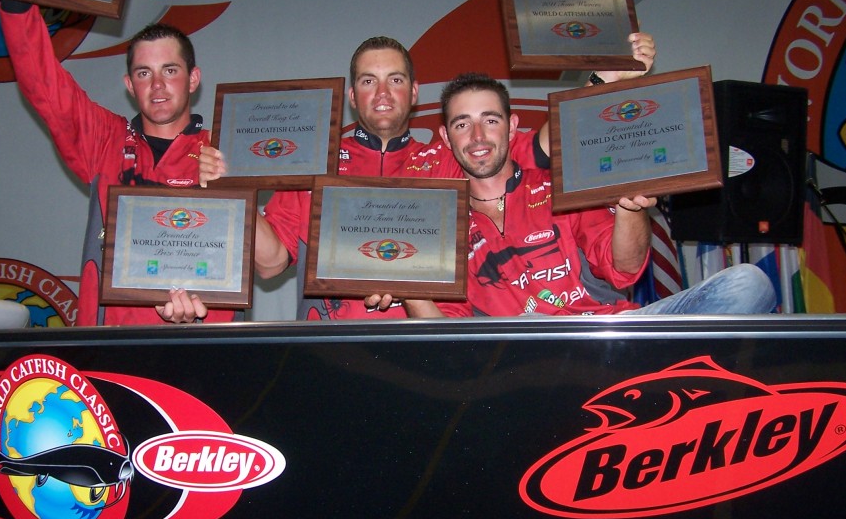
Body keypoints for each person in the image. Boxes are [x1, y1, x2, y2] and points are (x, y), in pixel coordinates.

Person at [201, 35, 656, 320]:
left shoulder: (447, 157)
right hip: (331, 349)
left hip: (427, 351)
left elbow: (538, 145)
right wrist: (235, 190)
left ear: (414, 93)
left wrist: (602, 80)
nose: (382, 93)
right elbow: (270, 263)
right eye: (368, 81)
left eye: (395, 80)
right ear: (352, 97)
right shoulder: (314, 164)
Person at [0, 0, 225, 325]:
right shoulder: (103, 140)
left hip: (197, 354)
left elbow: (254, 258)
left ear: (193, 78)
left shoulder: (223, 154)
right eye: (144, 73)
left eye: (170, 71)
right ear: (130, 86)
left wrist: (205, 317)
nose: (158, 86)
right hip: (105, 353)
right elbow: (43, 82)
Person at [371, 73, 776, 318]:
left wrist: (629, 209)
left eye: (489, 120)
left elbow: (624, 270)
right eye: (462, 124)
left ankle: (653, 371)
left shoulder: (558, 187)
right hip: (524, 357)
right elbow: (452, 339)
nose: (478, 137)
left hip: (609, 333)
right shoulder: (439, 227)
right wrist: (410, 286)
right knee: (524, 331)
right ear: (445, 137)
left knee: (748, 284)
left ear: (512, 127)